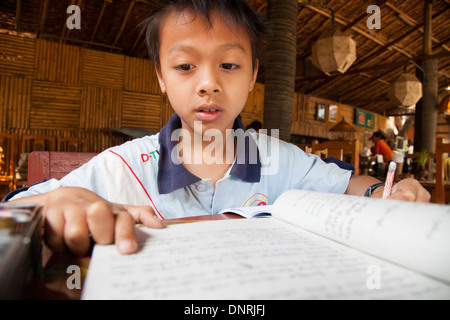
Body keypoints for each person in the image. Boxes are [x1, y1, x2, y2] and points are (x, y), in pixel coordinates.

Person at [4, 0, 430, 257]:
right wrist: (58, 201)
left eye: (229, 65)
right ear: (160, 75)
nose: (208, 83)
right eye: (185, 66)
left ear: (252, 74)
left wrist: (384, 192)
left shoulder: (278, 156)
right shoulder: (123, 166)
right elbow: (15, 215)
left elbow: (350, 184)